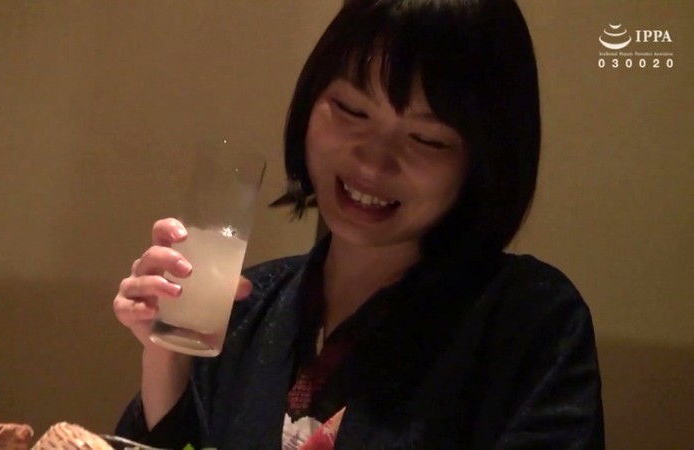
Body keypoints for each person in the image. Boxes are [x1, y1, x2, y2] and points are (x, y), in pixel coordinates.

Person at [112, 0, 605, 448]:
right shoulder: (243, 310)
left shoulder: (530, 325)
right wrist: (166, 361)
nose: (372, 161)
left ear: (484, 160)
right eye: (351, 110)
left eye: (426, 139)